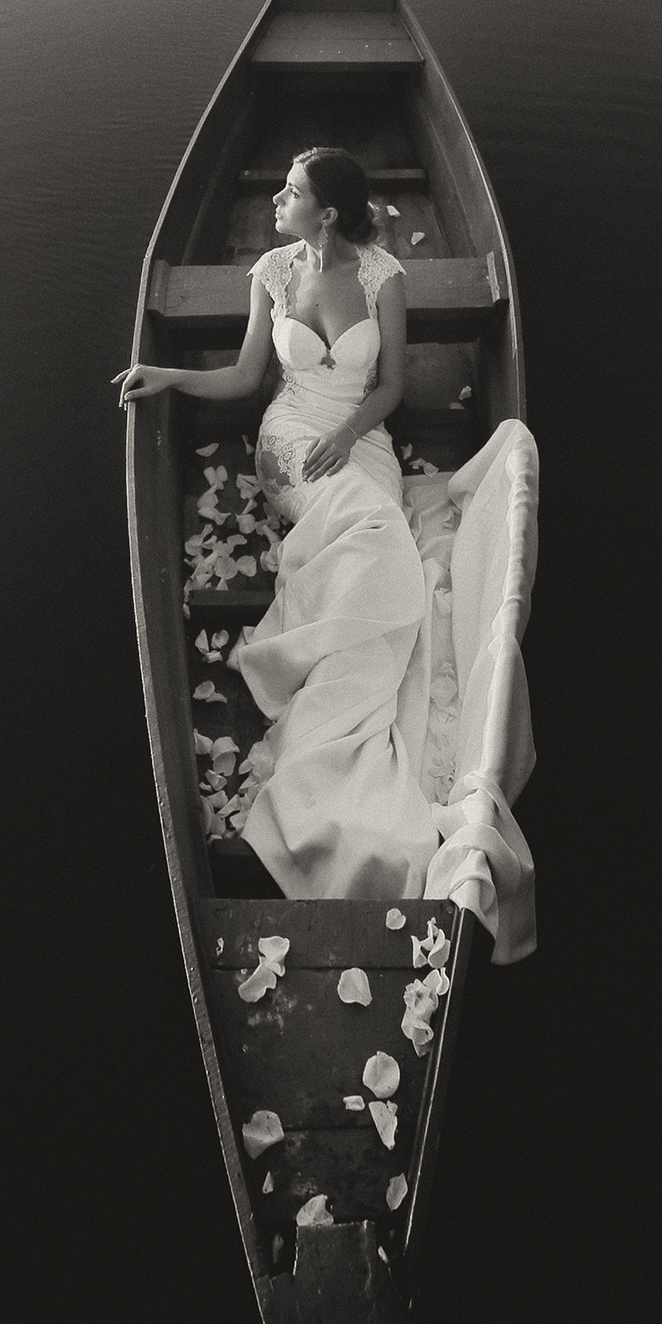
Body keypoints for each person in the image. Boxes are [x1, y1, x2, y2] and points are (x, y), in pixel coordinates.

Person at [114, 148, 433, 900]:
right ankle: (353, 628)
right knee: (369, 527)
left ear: (326, 213)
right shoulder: (273, 273)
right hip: (289, 438)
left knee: (375, 523)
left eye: (290, 195)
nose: (276, 204)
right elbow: (245, 378)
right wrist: (168, 376)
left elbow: (391, 386)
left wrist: (351, 434)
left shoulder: (384, 277)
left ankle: (346, 677)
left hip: (360, 438)